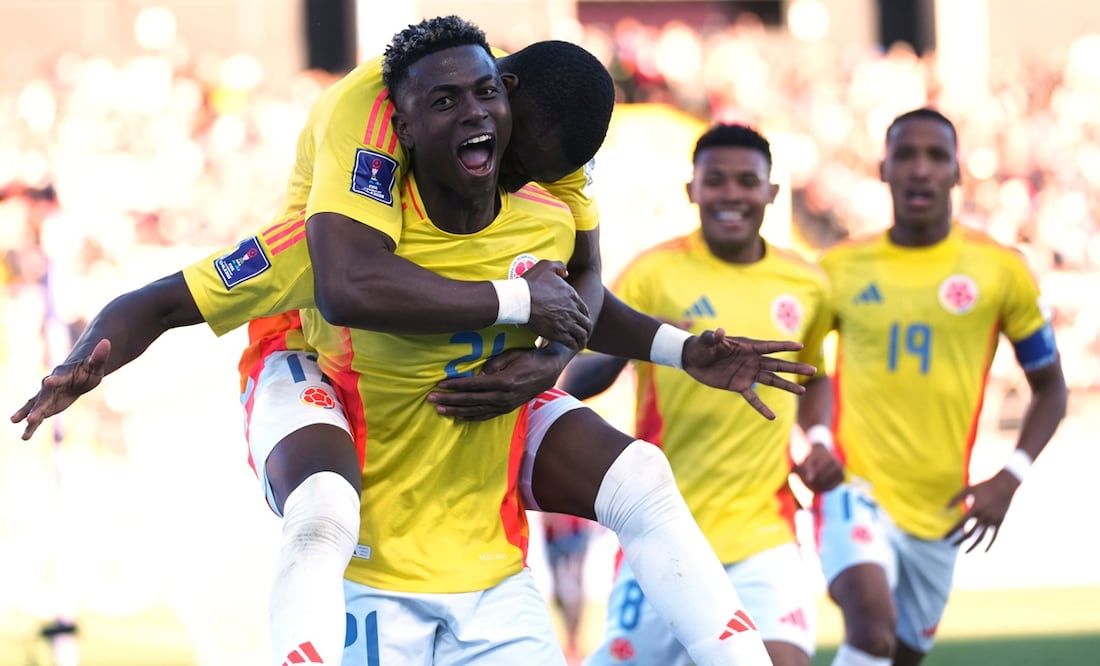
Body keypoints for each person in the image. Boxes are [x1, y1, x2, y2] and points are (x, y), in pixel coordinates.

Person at [13, 18, 810, 665]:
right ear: (404, 122)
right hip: (318, 362)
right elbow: (194, 298)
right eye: (448, 104)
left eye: (488, 103)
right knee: (324, 507)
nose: (491, 143)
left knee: (637, 473)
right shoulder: (335, 206)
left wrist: (667, 350)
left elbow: (582, 291)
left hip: (476, 526)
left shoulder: (546, 199)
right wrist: (87, 357)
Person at [559, 123, 844, 666]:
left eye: (746, 181)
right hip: (663, 533)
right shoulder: (652, 273)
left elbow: (815, 375)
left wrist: (822, 438)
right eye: (715, 181)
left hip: (765, 533)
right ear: (692, 190)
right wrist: (646, 344)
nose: (731, 195)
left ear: (772, 193)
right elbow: (579, 379)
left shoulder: (807, 282)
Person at [814, 107, 1068, 666]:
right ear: (883, 169)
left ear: (958, 172)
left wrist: (1012, 476)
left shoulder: (1001, 270)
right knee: (872, 630)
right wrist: (814, 443)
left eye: (936, 157)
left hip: (944, 510)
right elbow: (806, 370)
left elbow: (1051, 387)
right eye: (905, 155)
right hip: (856, 490)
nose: (920, 170)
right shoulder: (836, 268)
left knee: (899, 656)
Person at [540, 513, 594, 663]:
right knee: (562, 593)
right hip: (552, 538)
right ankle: (571, 643)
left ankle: (574, 643)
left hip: (575, 535)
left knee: (574, 593)